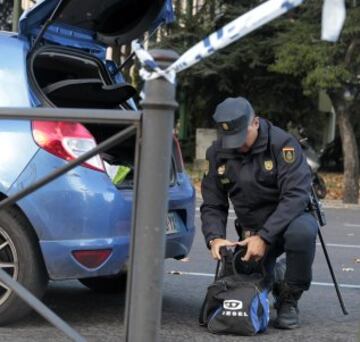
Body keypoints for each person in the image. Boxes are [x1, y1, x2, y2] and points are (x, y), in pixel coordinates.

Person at [200, 97, 318, 329]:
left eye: (241, 137)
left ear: (255, 122)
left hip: (288, 221)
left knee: (303, 233)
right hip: (250, 228)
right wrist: (214, 238)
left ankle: (289, 297)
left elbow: (295, 196)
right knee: (245, 280)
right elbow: (213, 203)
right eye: (230, 139)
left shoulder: (283, 144)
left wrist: (264, 237)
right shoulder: (217, 152)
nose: (237, 145)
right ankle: (274, 274)